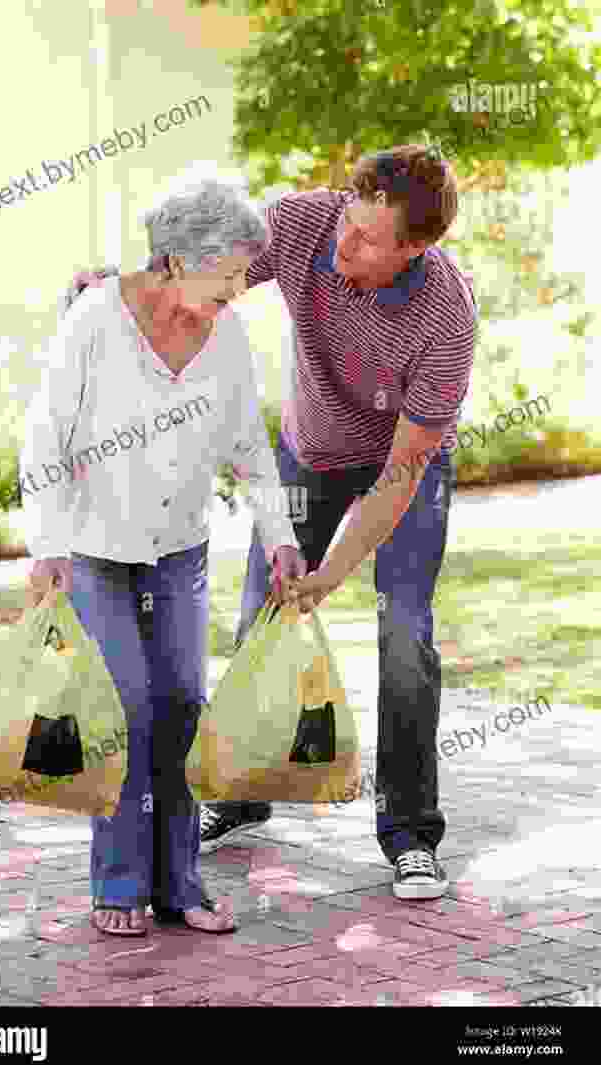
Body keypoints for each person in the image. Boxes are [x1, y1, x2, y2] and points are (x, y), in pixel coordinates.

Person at [67, 144, 478, 901]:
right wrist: (117, 286)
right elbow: (198, 272)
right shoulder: (300, 225)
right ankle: (241, 788)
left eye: (367, 240)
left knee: (405, 630)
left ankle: (410, 830)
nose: (342, 246)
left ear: (417, 249)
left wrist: (333, 572)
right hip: (309, 452)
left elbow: (399, 475)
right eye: (346, 224)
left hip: (402, 469)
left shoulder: (447, 316)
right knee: (259, 614)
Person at [21, 170, 307, 937]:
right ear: (178, 261)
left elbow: (250, 445)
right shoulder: (95, 320)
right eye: (231, 273)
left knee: (183, 707)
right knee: (125, 710)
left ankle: (181, 883)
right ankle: (119, 884)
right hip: (96, 549)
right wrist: (46, 544)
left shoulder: (228, 336)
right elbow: (46, 434)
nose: (240, 289)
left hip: (180, 547)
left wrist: (279, 533)